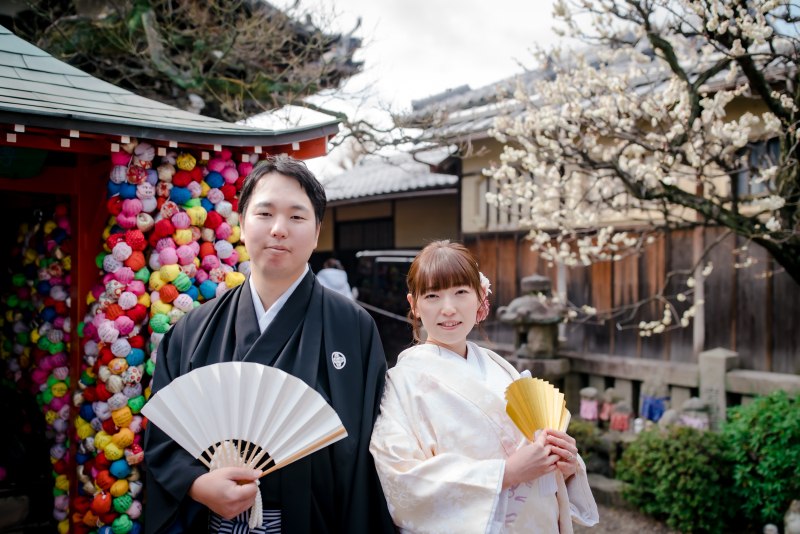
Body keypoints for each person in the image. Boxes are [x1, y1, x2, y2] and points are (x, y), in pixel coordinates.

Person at [144, 155, 395, 534]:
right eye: (264, 214)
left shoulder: (353, 328)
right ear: (242, 224)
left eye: (296, 216)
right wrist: (195, 483)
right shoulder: (193, 330)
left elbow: (369, 456)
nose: (279, 229)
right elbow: (163, 438)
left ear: (317, 231)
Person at [369, 241, 599, 534]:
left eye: (461, 292)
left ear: (480, 297)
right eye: (432, 296)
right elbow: (400, 477)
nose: (448, 309)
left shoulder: (502, 368)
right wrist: (506, 473)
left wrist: (562, 466)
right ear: (414, 304)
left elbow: (540, 457)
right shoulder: (400, 384)